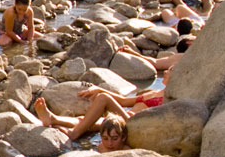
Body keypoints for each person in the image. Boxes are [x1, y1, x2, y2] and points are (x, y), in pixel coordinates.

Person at [33, 68, 170, 141]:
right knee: (86, 120)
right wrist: (99, 89)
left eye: (170, 71)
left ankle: (74, 133)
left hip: (136, 124)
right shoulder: (155, 92)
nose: (165, 72)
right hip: (125, 118)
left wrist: (103, 94)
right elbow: (123, 101)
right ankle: (53, 119)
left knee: (103, 99)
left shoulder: (170, 98)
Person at [117, 37, 194, 71]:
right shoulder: (181, 57)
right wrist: (132, 52)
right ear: (189, 42)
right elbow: (155, 63)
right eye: (193, 38)